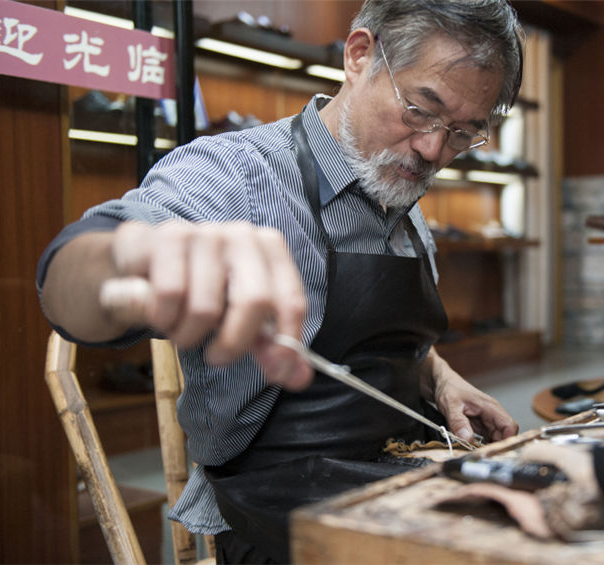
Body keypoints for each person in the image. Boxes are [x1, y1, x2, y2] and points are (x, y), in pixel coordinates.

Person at [37, 0, 524, 562]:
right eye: (419, 109)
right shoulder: (234, 175)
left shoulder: (399, 187)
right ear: (360, 55)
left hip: (400, 476)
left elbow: (364, 339)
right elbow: (65, 281)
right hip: (273, 517)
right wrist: (137, 255)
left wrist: (437, 376)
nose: (434, 150)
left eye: (463, 133)